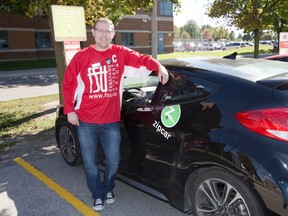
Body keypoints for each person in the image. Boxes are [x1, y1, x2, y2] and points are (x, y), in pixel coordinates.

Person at [62, 17, 169, 211]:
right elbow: (68, 84)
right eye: (100, 30)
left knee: (113, 161)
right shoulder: (81, 57)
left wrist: (158, 66)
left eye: (108, 31)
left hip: (111, 121)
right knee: (90, 163)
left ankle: (108, 187)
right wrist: (70, 110)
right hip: (86, 121)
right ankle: (97, 194)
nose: (104, 34)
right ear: (93, 32)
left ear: (113, 34)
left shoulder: (120, 53)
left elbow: (142, 59)